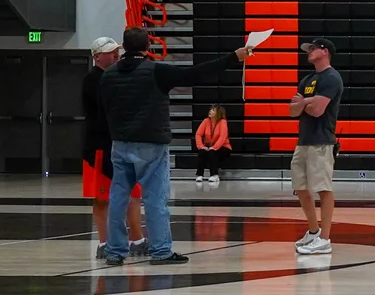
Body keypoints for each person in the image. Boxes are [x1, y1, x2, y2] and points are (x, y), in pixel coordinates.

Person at [96, 27, 256, 266]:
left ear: (123, 47)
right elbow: (196, 74)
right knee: (154, 199)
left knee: (118, 197)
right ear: (147, 47)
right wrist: (234, 57)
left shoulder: (108, 75)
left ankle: (115, 251)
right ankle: (161, 251)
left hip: (120, 143)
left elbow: (105, 109)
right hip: (151, 142)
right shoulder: (156, 72)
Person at [80, 36, 146, 255]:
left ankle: (137, 240)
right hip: (100, 147)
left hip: (121, 143)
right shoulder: (93, 80)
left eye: (117, 51)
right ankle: (104, 243)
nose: (116, 55)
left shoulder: (114, 76)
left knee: (133, 192)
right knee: (102, 197)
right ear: (97, 56)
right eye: (111, 52)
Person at [289, 37, 344, 257]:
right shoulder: (307, 79)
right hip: (303, 140)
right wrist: (304, 104)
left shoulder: (332, 77)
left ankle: (325, 239)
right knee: (301, 188)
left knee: (323, 188)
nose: (309, 51)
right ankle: (313, 231)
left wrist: (303, 102)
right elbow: (292, 111)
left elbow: (318, 110)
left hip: (322, 140)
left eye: (313, 48)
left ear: (325, 51)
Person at [192, 106, 231, 184]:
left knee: (213, 152)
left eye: (213, 110)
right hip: (208, 146)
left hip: (223, 147)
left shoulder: (223, 122)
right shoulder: (206, 121)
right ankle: (199, 175)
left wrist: (214, 147)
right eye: (210, 110)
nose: (210, 111)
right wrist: (201, 146)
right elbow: (198, 134)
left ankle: (214, 175)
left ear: (218, 113)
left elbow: (223, 136)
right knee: (202, 152)